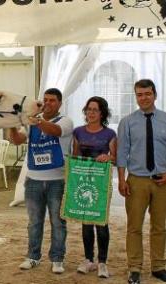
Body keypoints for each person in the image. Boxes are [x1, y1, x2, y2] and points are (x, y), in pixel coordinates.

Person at [9, 88, 73, 274]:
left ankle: (57, 259)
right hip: (33, 181)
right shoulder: (32, 122)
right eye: (45, 100)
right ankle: (33, 257)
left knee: (58, 222)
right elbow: (17, 140)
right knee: (34, 222)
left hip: (57, 180)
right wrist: (13, 124)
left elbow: (55, 130)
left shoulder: (66, 121)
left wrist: (35, 120)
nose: (48, 103)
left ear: (60, 103)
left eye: (52, 100)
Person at [117, 79, 166, 284]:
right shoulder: (127, 122)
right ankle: (134, 267)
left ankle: (158, 266)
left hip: (162, 182)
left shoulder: (165, 119)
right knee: (134, 226)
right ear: (136, 96)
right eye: (139, 94)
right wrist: (121, 179)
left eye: (147, 94)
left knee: (160, 227)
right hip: (136, 181)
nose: (143, 98)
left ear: (155, 94)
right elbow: (122, 152)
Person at [72, 96, 117, 278]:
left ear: (102, 113)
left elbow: (116, 158)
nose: (91, 113)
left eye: (95, 110)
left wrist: (108, 157)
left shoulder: (110, 134)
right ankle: (88, 260)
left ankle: (102, 263)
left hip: (101, 183)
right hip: (83, 181)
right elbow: (74, 158)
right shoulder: (77, 132)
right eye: (88, 109)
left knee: (101, 223)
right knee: (86, 222)